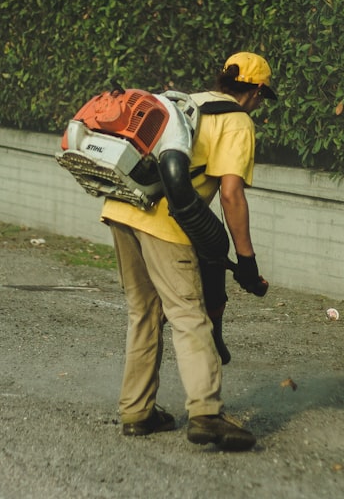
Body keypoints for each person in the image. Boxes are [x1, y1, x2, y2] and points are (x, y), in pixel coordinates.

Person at [100, 51, 276, 451]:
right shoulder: (236, 121)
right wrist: (247, 262)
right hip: (165, 220)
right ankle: (206, 415)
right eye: (262, 97)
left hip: (123, 207)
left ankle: (137, 411)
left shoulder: (185, 102)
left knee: (143, 311)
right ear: (255, 92)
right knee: (188, 315)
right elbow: (231, 195)